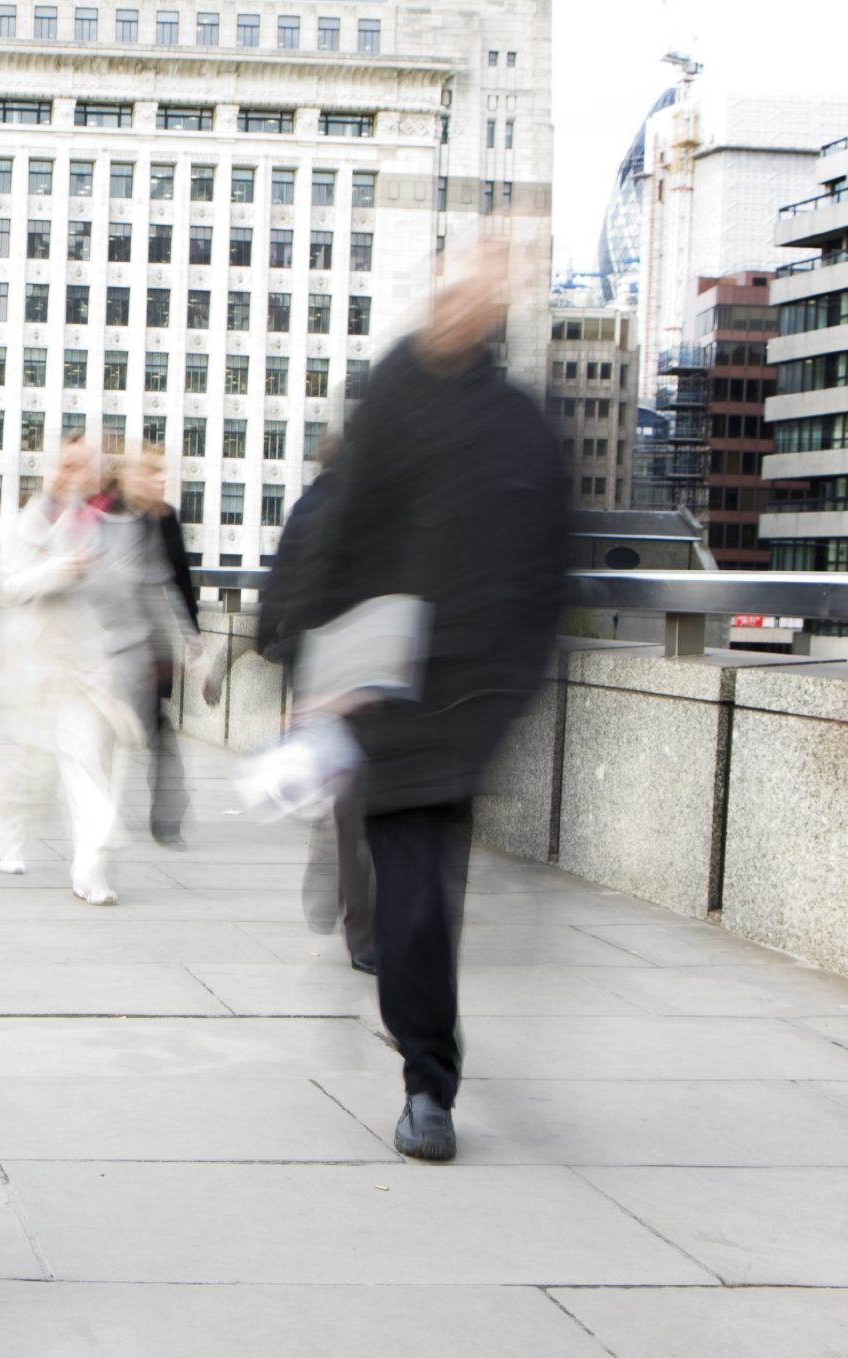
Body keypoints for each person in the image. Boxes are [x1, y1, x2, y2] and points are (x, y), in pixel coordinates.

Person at [305, 240, 568, 1162]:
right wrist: (317, 662)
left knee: (426, 900)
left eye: (489, 292)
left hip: (472, 696)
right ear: (435, 293)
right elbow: (343, 526)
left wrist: (511, 686)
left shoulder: (521, 423)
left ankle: (428, 1077)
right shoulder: (388, 395)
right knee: (412, 902)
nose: (469, 305)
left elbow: (548, 565)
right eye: (456, 287)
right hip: (386, 694)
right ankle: (429, 1080)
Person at [0, 435, 152, 904]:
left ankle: (91, 870)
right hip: (31, 665)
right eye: (69, 464)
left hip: (83, 667)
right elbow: (12, 586)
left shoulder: (100, 523)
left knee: (85, 765)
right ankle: (9, 841)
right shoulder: (27, 521)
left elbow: (121, 590)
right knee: (25, 768)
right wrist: (59, 568)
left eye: (85, 466)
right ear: (53, 468)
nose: (76, 473)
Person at [258, 436, 376, 972]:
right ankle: (361, 927)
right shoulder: (371, 509)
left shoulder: (308, 505)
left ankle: (330, 870)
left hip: (313, 662)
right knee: (355, 794)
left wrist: (266, 637)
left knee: (339, 786)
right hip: (359, 666)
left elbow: (282, 580)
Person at [116, 444, 200, 847]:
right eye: (151, 472)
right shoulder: (110, 514)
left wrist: (191, 634)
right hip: (113, 646)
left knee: (159, 732)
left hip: (152, 647)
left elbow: (178, 579)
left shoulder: (165, 519)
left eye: (161, 473)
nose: (159, 480)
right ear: (131, 477)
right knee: (113, 733)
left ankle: (168, 816)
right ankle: (103, 810)